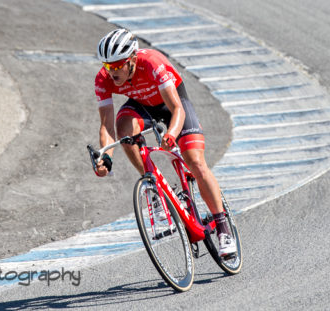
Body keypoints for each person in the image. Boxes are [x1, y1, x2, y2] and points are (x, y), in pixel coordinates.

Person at [93, 28, 237, 257]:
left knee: (195, 162)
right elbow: (107, 127)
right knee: (124, 131)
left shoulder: (152, 63)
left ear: (131, 60)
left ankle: (222, 226)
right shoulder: (103, 78)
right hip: (142, 106)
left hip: (173, 107)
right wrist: (105, 157)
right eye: (106, 65)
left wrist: (171, 134)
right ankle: (154, 187)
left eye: (116, 65)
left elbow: (177, 108)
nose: (110, 72)